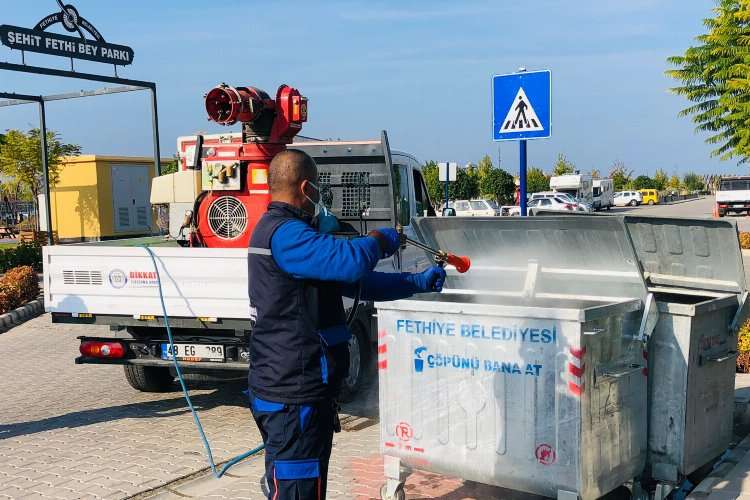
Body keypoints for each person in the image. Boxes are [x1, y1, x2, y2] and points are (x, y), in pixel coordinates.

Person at [247, 149, 446, 499]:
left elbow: (357, 282)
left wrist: (415, 282)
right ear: (306, 188)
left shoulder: (286, 234)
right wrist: (379, 240)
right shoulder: (286, 235)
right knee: (297, 488)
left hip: (294, 388)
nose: (321, 198)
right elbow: (351, 262)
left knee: (300, 485)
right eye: (319, 189)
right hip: (293, 393)